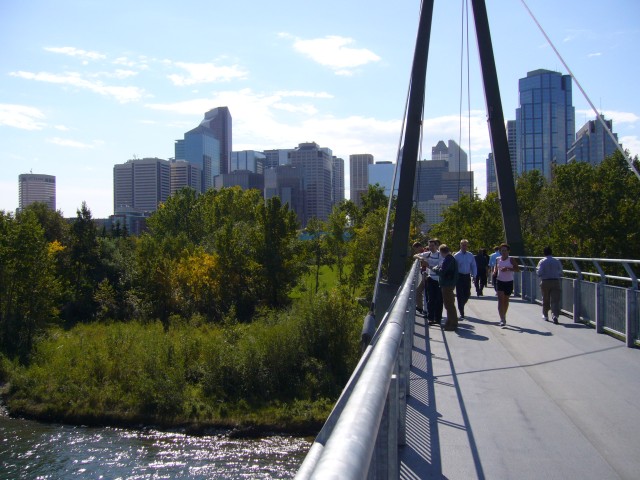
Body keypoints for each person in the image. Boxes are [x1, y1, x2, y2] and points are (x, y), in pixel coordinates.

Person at [433, 244, 458, 331]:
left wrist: (435, 269)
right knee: (449, 304)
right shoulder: (451, 259)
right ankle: (449, 322)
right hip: (449, 284)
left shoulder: (448, 259)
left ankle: (453, 323)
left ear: (441, 252)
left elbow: (442, 272)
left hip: (447, 284)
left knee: (449, 304)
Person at [493, 243, 520, 327]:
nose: (503, 252)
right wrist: (494, 272)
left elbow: (517, 269)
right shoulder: (498, 259)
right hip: (500, 281)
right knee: (500, 300)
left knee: (506, 300)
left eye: (505, 250)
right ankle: (502, 319)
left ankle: (503, 315)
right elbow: (496, 267)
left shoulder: (511, 259)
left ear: (508, 251)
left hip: (508, 281)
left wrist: (508, 268)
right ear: (500, 251)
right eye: (502, 251)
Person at [536, 246, 563, 324]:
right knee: (555, 300)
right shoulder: (557, 261)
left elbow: (539, 272)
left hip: (545, 281)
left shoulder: (542, 261)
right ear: (551, 252)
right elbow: (561, 272)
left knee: (545, 298)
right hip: (555, 281)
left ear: (544, 253)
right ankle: (555, 315)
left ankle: (545, 315)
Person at [454, 239, 477, 318]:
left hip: (467, 276)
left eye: (465, 245)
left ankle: (461, 304)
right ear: (460, 245)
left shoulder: (470, 255)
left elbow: (473, 266)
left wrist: (474, 276)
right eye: (463, 245)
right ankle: (461, 311)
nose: (464, 247)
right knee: (460, 294)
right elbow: (454, 267)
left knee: (467, 293)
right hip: (459, 276)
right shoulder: (456, 255)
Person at [423, 238, 443, 325]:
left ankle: (438, 318)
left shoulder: (440, 255)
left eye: (432, 245)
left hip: (439, 280)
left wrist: (428, 265)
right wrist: (420, 258)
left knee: (439, 299)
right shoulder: (428, 254)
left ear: (436, 246)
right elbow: (415, 255)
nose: (430, 247)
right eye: (429, 245)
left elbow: (440, 268)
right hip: (431, 279)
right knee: (431, 299)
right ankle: (430, 317)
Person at [412, 242, 427, 315]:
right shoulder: (423, 253)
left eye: (416, 249)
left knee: (419, 291)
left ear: (419, 247)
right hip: (425, 273)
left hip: (426, 274)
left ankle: (421, 308)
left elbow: (415, 256)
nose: (416, 251)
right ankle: (420, 307)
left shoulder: (425, 252)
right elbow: (415, 256)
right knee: (420, 291)